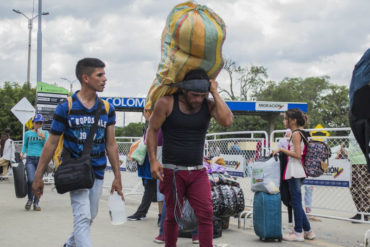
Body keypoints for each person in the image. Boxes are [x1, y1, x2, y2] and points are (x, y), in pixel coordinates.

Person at [32, 58, 123, 247]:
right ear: (85, 78)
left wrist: (117, 177)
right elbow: (51, 143)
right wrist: (38, 176)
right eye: (100, 75)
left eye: (104, 74)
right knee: (82, 217)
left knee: (90, 216)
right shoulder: (66, 107)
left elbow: (111, 145)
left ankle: (69, 245)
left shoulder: (107, 109)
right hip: (74, 171)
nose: (105, 79)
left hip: (97, 172)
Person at [147, 69, 233, 247]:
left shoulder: (208, 105)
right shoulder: (167, 103)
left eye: (202, 95)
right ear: (184, 90)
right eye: (195, 95)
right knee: (173, 216)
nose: (198, 100)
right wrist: (153, 160)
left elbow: (227, 120)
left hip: (197, 171)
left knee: (206, 213)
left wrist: (215, 92)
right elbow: (152, 130)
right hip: (173, 171)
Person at [272, 108, 315, 242]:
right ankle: (308, 231)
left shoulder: (296, 133)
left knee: (295, 202)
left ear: (293, 120)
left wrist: (281, 149)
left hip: (295, 170)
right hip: (296, 170)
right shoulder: (301, 132)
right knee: (295, 201)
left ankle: (298, 233)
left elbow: (297, 154)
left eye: (286, 118)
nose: (284, 121)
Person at [128, 110, 164, 224]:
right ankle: (157, 216)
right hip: (150, 163)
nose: (146, 114)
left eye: (148, 112)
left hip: (154, 163)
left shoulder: (156, 126)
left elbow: (151, 141)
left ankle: (145, 213)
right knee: (153, 189)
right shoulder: (150, 127)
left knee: (154, 190)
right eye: (146, 112)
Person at [20, 114, 49, 211]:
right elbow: (25, 145)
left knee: (39, 181)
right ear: (33, 123)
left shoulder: (45, 133)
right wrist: (22, 152)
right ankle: (29, 199)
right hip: (30, 159)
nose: (39, 125)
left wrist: (43, 137)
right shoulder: (28, 133)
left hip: (41, 160)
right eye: (37, 123)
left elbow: (48, 146)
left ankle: (36, 203)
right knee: (31, 180)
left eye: (41, 123)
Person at [348, 132, 369, 222]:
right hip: (353, 161)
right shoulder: (353, 127)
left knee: (365, 188)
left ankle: (364, 213)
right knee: (354, 188)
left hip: (364, 161)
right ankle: (360, 211)